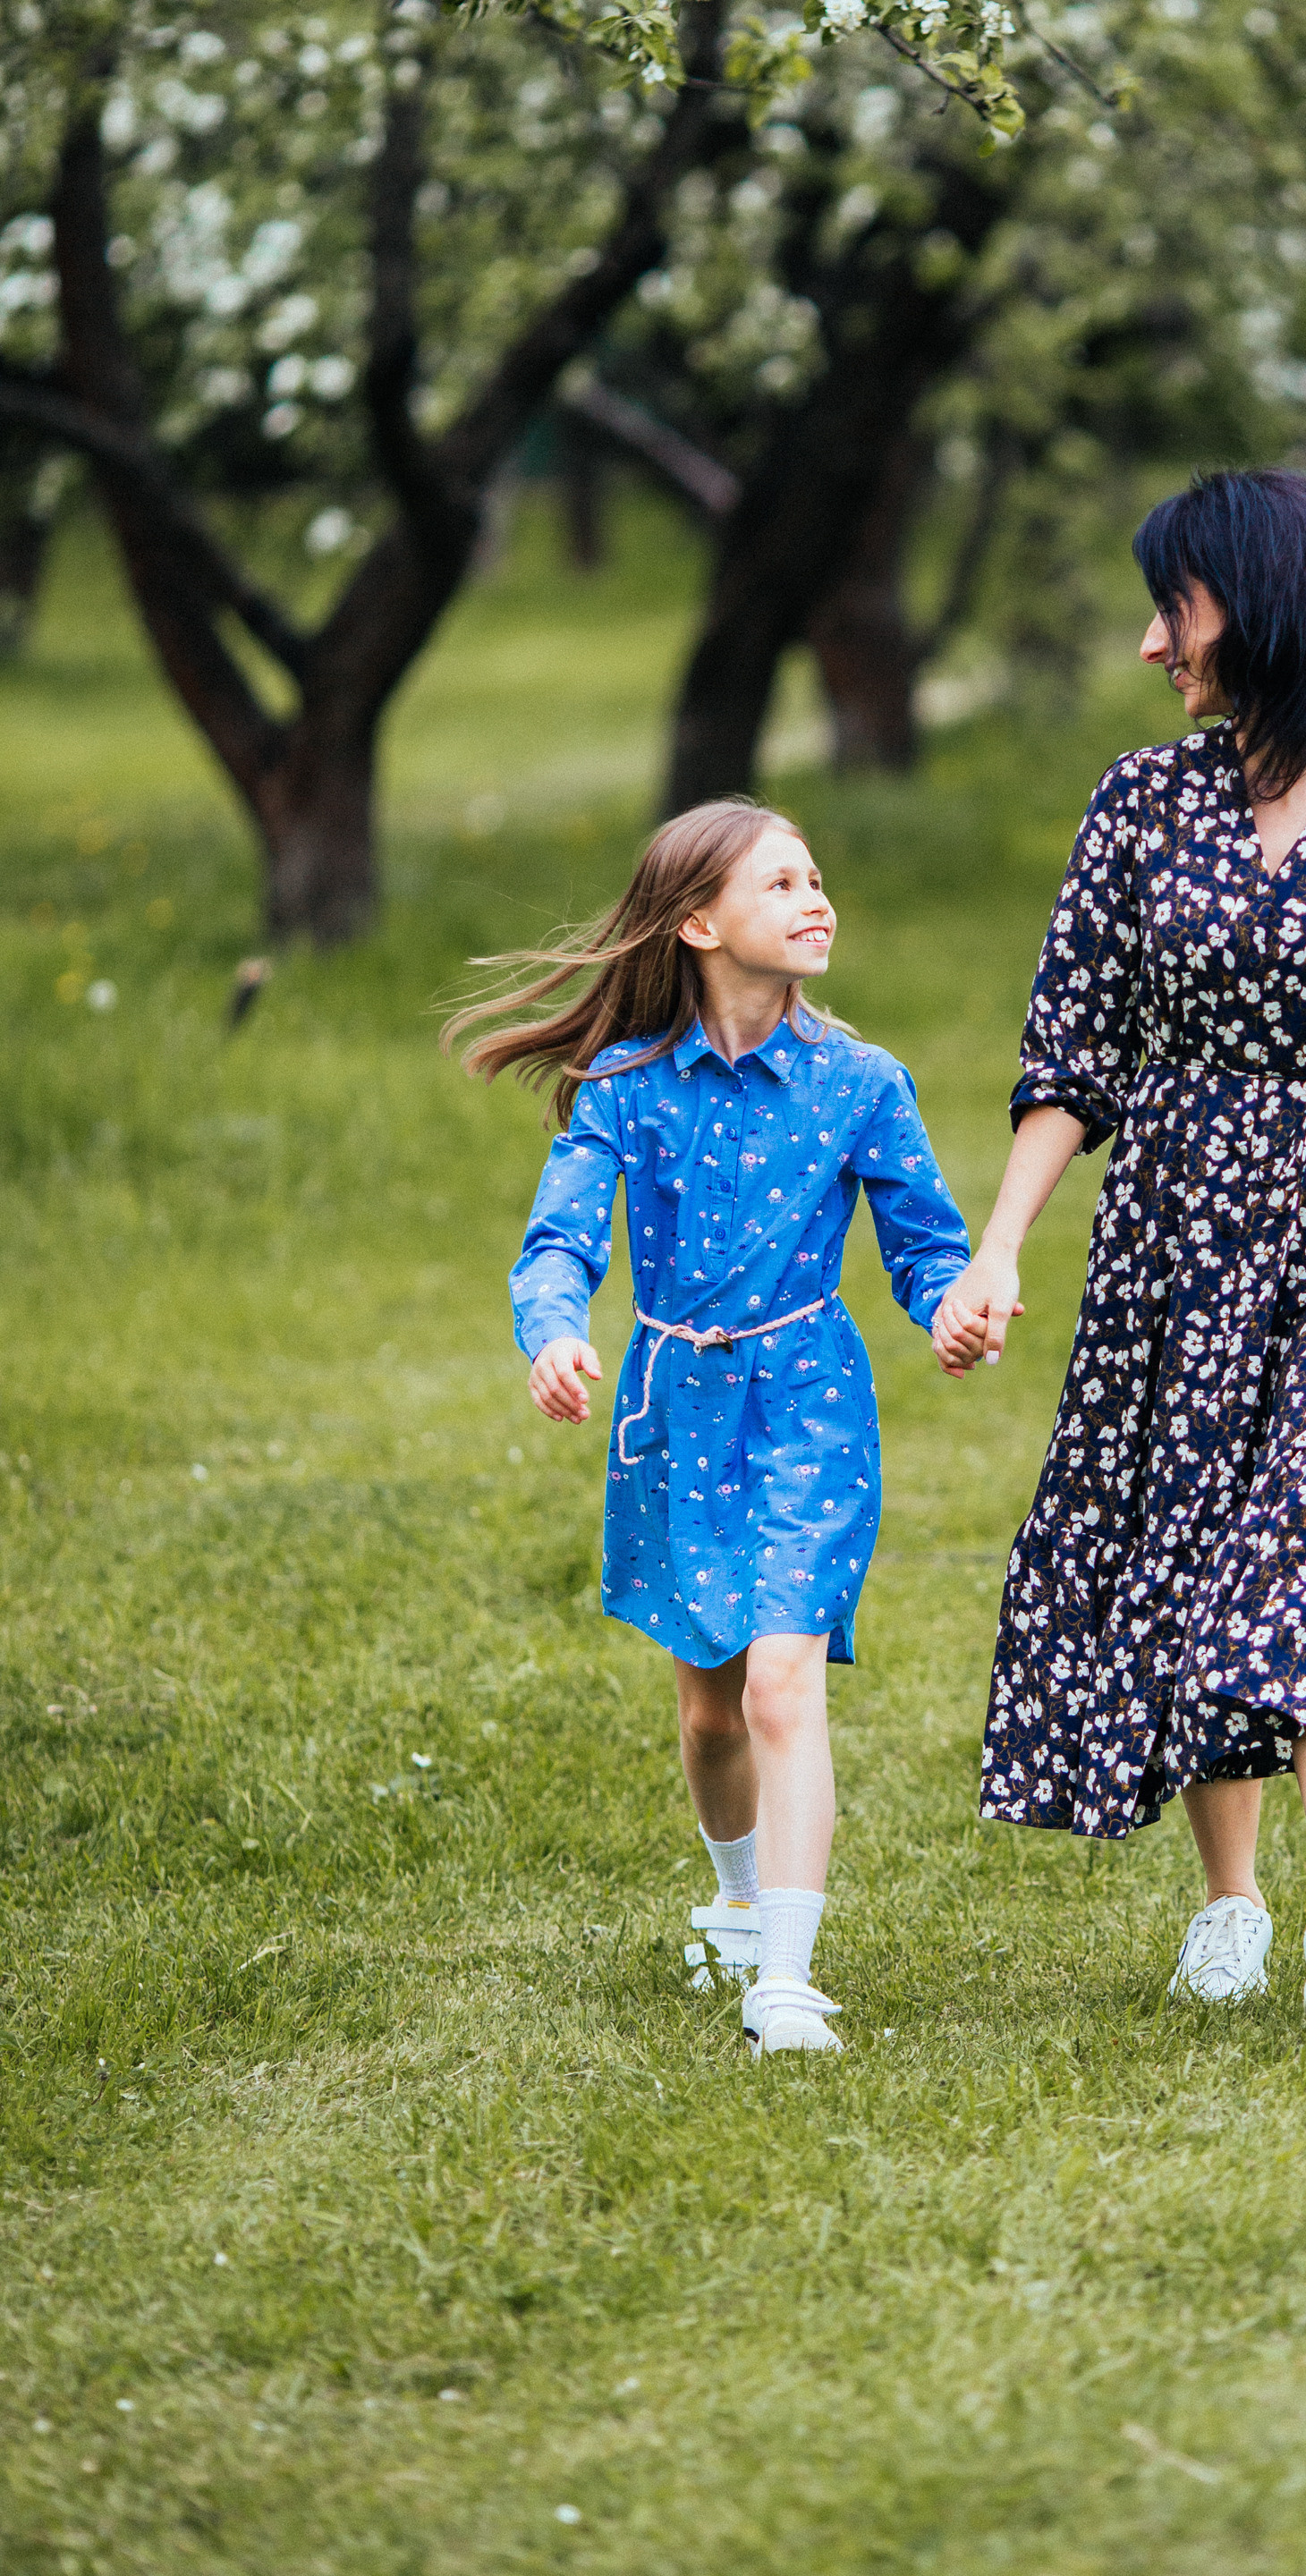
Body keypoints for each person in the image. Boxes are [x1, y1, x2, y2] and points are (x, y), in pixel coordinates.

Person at [932, 470, 1306, 2038]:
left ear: (1251, 602)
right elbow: (1073, 1053)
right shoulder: (1139, 802)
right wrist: (996, 1249)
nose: (1145, 644)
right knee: (1188, 1545)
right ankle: (1231, 1909)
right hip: (1171, 1226)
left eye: (1169, 607)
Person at [446, 800, 970, 2061]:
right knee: (712, 1710)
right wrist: (557, 1331)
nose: (815, 899)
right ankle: (738, 1900)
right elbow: (560, 1240)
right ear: (696, 922)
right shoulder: (625, 1090)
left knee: (785, 1681)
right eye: (781, 882)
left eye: (817, 877)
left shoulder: (863, 1083)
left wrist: (955, 1308)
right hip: (672, 1411)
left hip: (809, 1405)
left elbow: (926, 1245)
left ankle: (784, 1979)